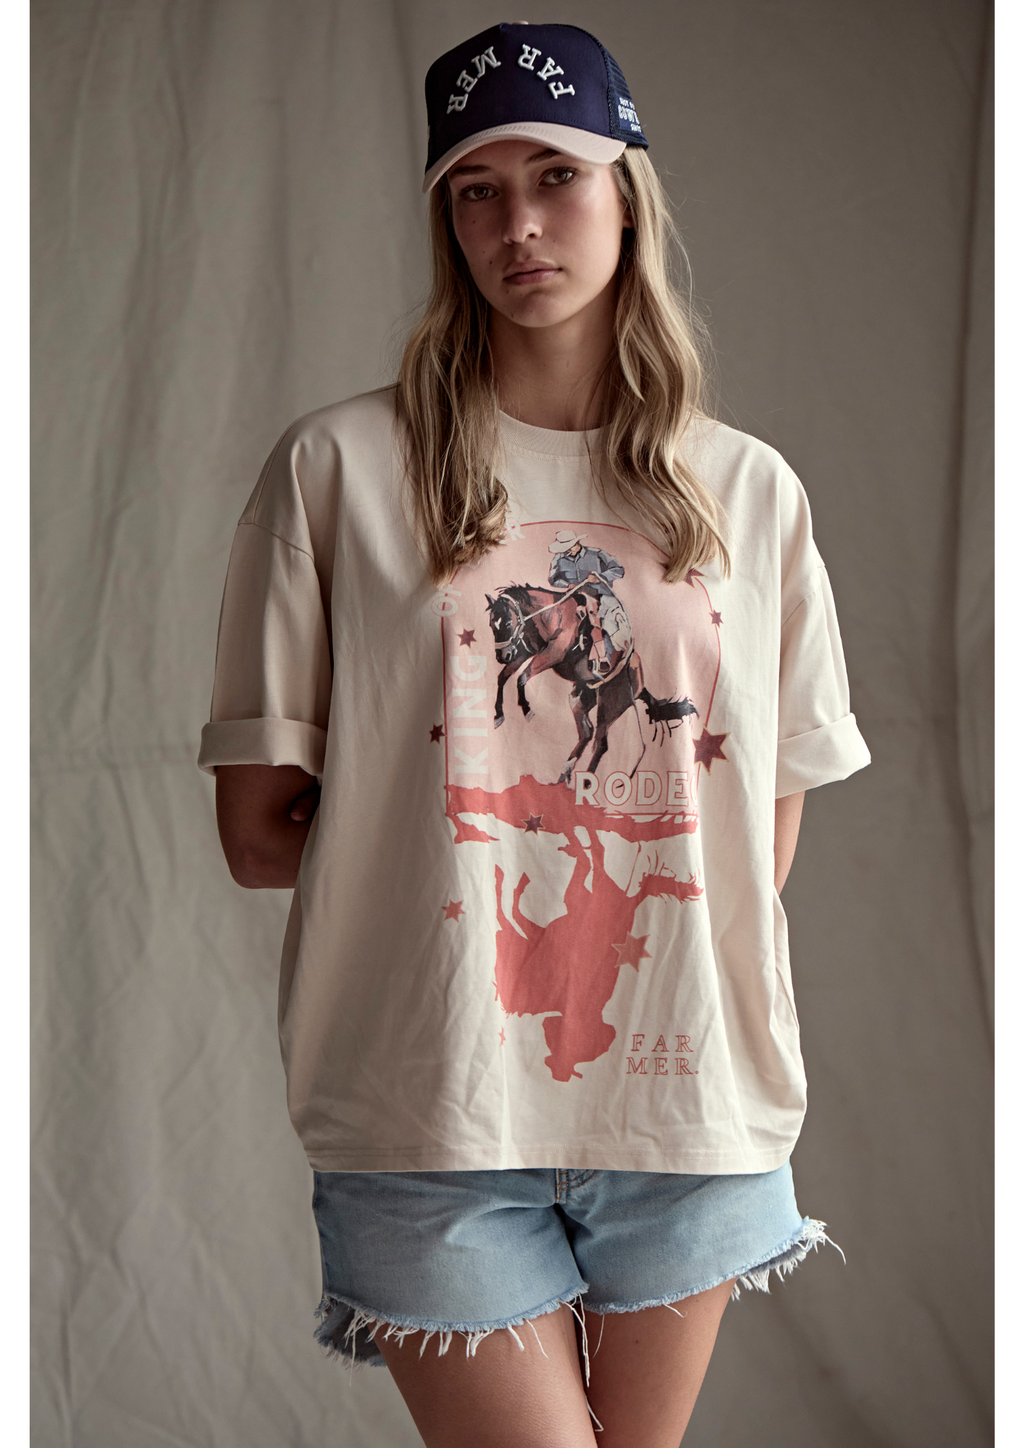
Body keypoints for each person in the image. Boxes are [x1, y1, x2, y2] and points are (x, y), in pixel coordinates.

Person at [199, 21, 870, 1448]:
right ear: (447, 222)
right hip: (431, 1108)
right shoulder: (339, 472)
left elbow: (760, 820)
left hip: (683, 1107)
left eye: (556, 175)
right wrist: (477, 827)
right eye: (476, 189)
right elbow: (258, 833)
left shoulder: (747, 493)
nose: (518, 223)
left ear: (629, 193)